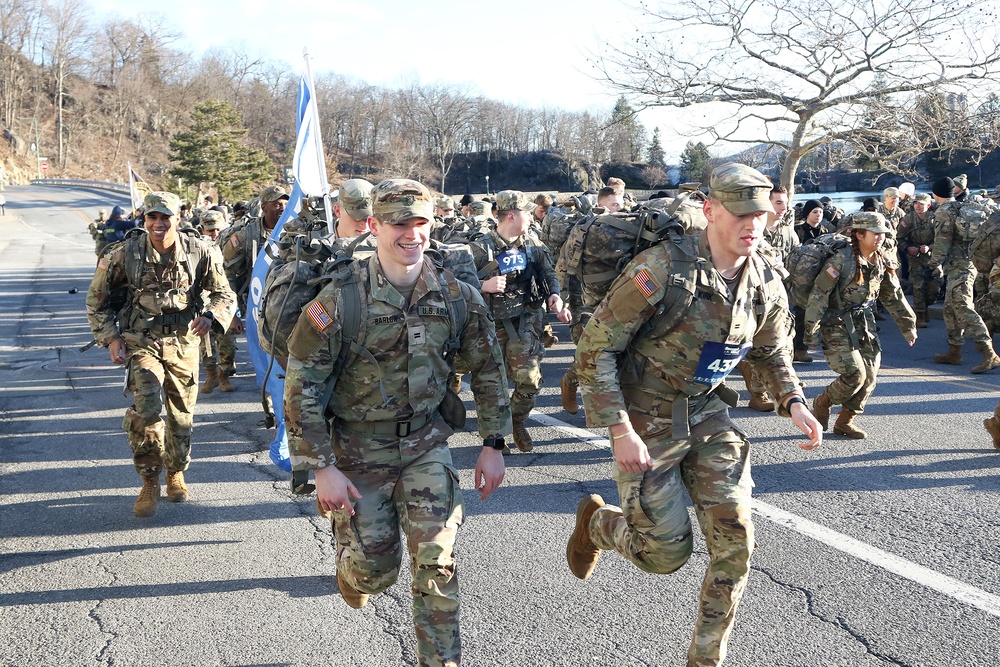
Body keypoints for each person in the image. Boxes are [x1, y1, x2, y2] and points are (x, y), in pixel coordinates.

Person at [567, 163, 822, 667]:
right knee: (664, 555)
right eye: (741, 214)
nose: (754, 224)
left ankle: (705, 658)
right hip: (647, 419)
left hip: (708, 416)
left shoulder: (766, 278)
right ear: (711, 211)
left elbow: (772, 352)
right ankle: (597, 524)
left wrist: (795, 402)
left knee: (736, 545)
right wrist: (619, 429)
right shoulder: (661, 270)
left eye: (763, 214)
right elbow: (596, 350)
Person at [283, 178, 511, 667]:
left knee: (437, 561)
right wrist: (322, 466)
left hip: (427, 442)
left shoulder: (458, 296)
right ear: (374, 226)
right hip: (357, 449)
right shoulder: (338, 300)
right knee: (374, 574)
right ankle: (352, 567)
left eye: (421, 222)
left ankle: (441, 661)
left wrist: (493, 443)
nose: (411, 234)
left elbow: (489, 369)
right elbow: (301, 384)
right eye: (398, 223)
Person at [85, 192, 236, 517]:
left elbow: (224, 292)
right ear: (145, 220)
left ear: (177, 219)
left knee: (181, 417)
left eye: (164, 217)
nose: (158, 223)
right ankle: (149, 480)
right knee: (147, 410)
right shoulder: (125, 253)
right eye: (152, 217)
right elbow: (96, 299)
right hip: (143, 341)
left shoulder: (200, 249)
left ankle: (176, 471)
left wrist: (210, 316)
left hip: (184, 341)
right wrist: (111, 338)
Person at [471, 190, 571, 452]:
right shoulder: (480, 248)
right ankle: (495, 435)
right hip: (490, 322)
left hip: (525, 317)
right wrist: (483, 284)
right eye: (527, 212)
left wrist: (555, 296)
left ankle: (517, 421)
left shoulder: (532, 243)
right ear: (512, 215)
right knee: (493, 383)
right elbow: (454, 283)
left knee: (528, 378)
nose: (531, 216)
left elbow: (548, 271)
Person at [806, 213, 917, 438]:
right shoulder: (840, 260)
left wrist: (908, 326)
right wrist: (811, 331)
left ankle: (845, 420)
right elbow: (819, 296)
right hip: (836, 322)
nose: (879, 238)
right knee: (855, 375)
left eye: (882, 234)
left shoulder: (882, 260)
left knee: (871, 377)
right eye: (874, 234)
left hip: (863, 323)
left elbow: (893, 295)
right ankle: (823, 402)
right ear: (859, 235)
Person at [928, 177, 1000, 373]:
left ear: (936, 193)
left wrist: (933, 263)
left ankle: (988, 352)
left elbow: (942, 242)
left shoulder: (944, 211)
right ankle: (954, 350)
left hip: (960, 267)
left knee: (963, 307)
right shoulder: (959, 206)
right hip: (967, 264)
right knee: (950, 308)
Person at [740, 184, 800, 411]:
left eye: (785, 202)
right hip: (754, 295)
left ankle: (782, 383)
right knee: (759, 344)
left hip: (780, 293)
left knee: (784, 340)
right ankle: (758, 392)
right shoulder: (753, 228)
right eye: (778, 202)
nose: (784, 207)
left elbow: (795, 261)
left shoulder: (788, 231)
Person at [197, 210, 238, 393]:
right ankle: (211, 375)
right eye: (210, 230)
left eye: (218, 230)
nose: (214, 234)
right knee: (205, 342)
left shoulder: (232, 246)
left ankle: (224, 375)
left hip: (225, 302)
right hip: (203, 302)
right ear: (202, 229)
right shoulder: (197, 248)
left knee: (227, 342)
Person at [792, 199, 834, 362]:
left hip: (821, 275)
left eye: (820, 212)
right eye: (814, 212)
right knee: (801, 312)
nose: (818, 215)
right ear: (807, 214)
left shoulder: (826, 231)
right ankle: (799, 349)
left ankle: (827, 342)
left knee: (823, 309)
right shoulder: (798, 230)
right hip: (801, 277)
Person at [897, 193, 939, 328]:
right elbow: (899, 238)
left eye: (921, 204)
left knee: (935, 287)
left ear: (928, 205)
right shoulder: (908, 219)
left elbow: (943, 239)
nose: (918, 206)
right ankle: (920, 314)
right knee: (918, 285)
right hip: (915, 257)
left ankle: (926, 306)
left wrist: (930, 247)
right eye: (916, 203)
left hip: (933, 257)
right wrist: (908, 248)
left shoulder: (935, 219)